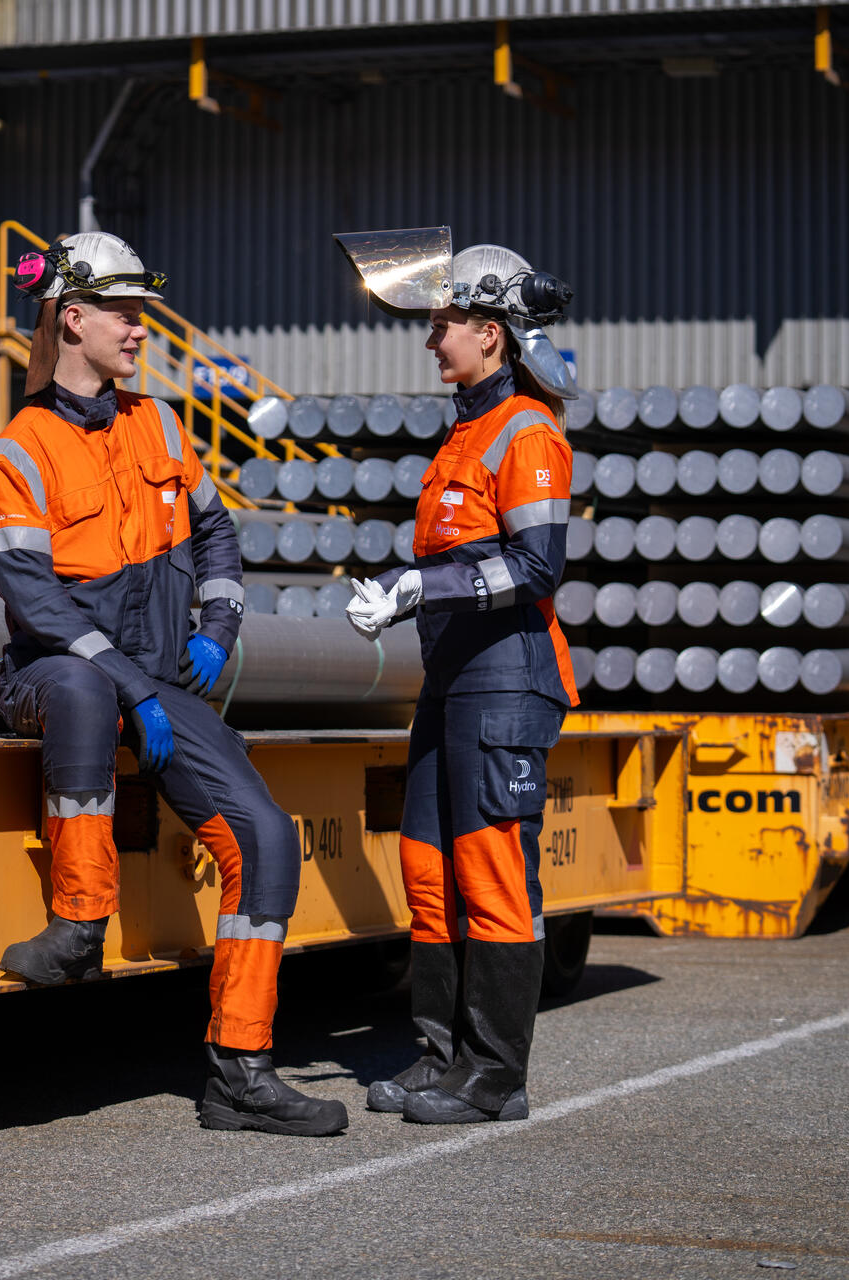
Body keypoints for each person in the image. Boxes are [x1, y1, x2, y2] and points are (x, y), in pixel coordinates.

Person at [0, 232, 347, 1137]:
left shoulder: (163, 426)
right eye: (125, 312)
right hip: (49, 672)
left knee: (266, 838)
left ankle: (240, 1072)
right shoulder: (17, 451)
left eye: (143, 312)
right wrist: (124, 683)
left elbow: (216, 533)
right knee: (81, 687)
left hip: (154, 678)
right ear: (74, 319)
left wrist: (217, 628)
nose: (142, 328)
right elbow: (31, 597)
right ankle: (78, 923)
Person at [333, 228, 580, 1124]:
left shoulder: (527, 431)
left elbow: (538, 565)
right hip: (454, 677)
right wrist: (406, 587)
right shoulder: (467, 430)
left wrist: (418, 587)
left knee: (491, 868)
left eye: (444, 324)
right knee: (429, 863)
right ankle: (442, 1054)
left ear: (492, 332)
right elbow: (464, 553)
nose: (432, 340)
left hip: (507, 679)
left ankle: (496, 1076)